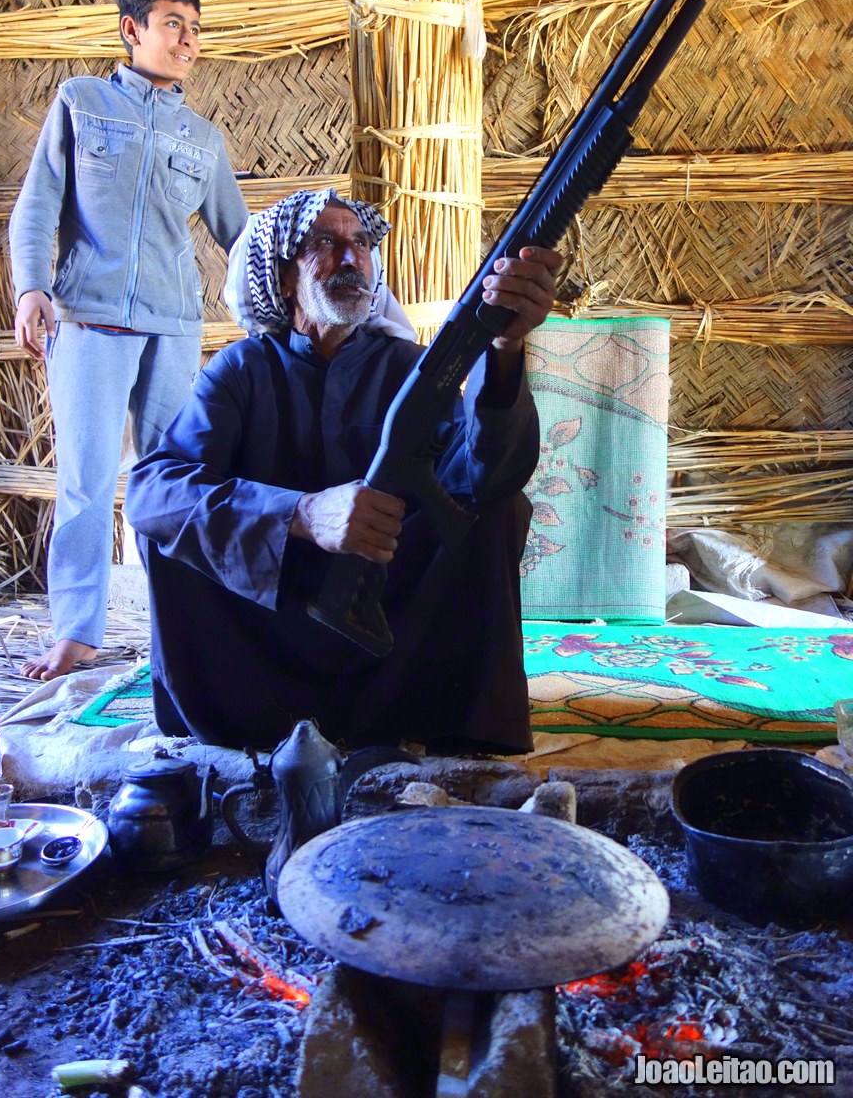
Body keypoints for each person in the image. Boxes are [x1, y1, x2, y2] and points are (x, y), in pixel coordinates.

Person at [125, 188, 563, 754]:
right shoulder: (240, 371)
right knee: (168, 529)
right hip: (267, 635)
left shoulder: (408, 368)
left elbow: (483, 474)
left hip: (392, 626)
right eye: (323, 244)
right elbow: (151, 490)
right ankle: (242, 724)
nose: (351, 257)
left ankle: (449, 719)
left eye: (360, 242)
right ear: (285, 280)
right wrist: (300, 515)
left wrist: (502, 350)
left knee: (499, 507)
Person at [9, 0, 250, 682]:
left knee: (172, 477)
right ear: (132, 29)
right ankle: (78, 633)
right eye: (174, 23)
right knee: (85, 479)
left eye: (196, 29)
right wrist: (31, 289)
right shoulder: (80, 104)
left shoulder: (203, 138)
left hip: (175, 325)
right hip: (88, 320)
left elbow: (239, 237)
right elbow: (37, 205)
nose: (188, 40)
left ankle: (180, 624)